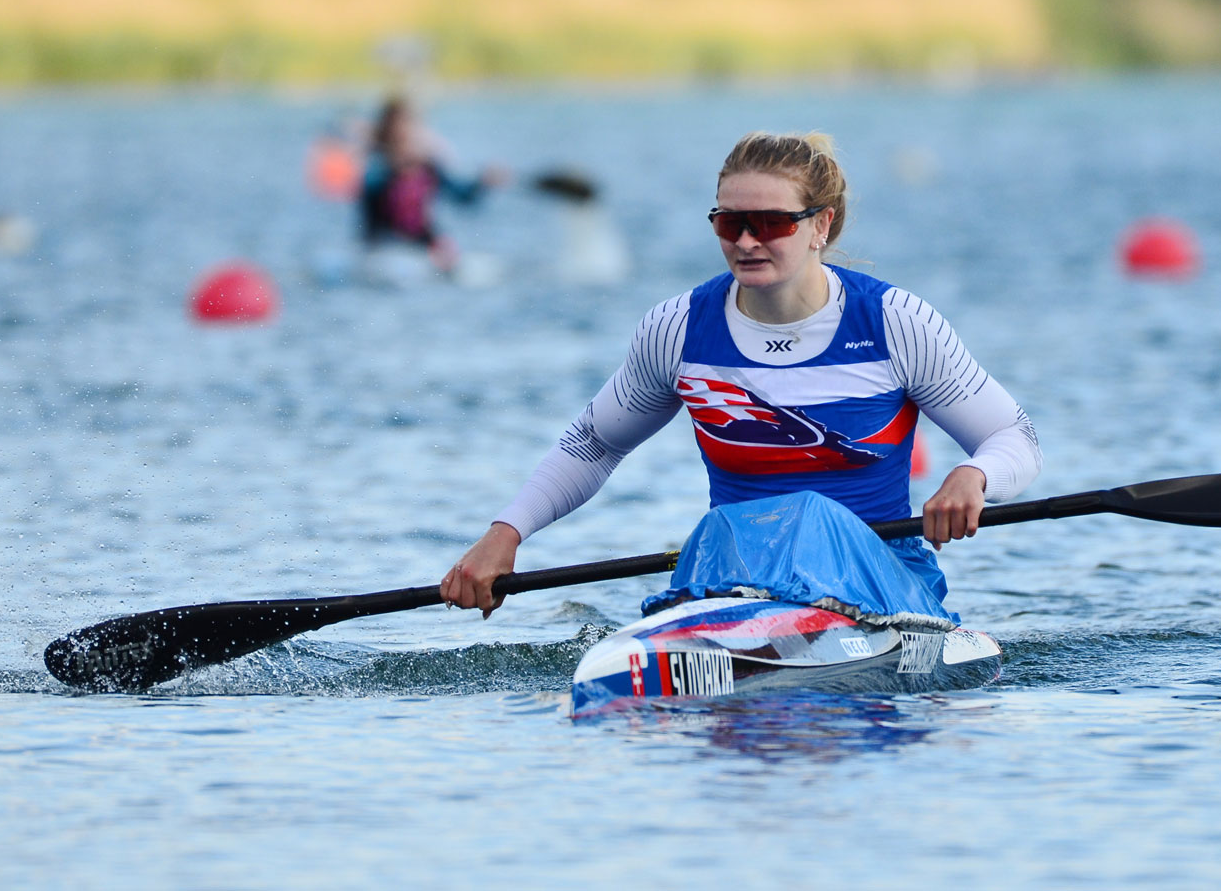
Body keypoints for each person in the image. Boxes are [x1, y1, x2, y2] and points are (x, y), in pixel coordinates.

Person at [442, 131, 1041, 617]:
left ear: (820, 227)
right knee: (724, 529)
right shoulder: (679, 328)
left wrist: (973, 474)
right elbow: (594, 444)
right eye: (730, 224)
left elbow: (1016, 437)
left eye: (771, 223)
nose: (748, 241)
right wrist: (507, 533)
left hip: (884, 586)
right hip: (739, 580)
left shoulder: (895, 322)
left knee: (807, 513)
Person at [358, 96, 507, 272]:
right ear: (387, 134)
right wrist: (395, 171)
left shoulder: (428, 166)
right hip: (384, 245)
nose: (405, 137)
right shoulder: (376, 166)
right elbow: (368, 190)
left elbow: (462, 197)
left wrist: (483, 183)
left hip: (423, 244)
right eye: (398, 132)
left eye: (409, 130)